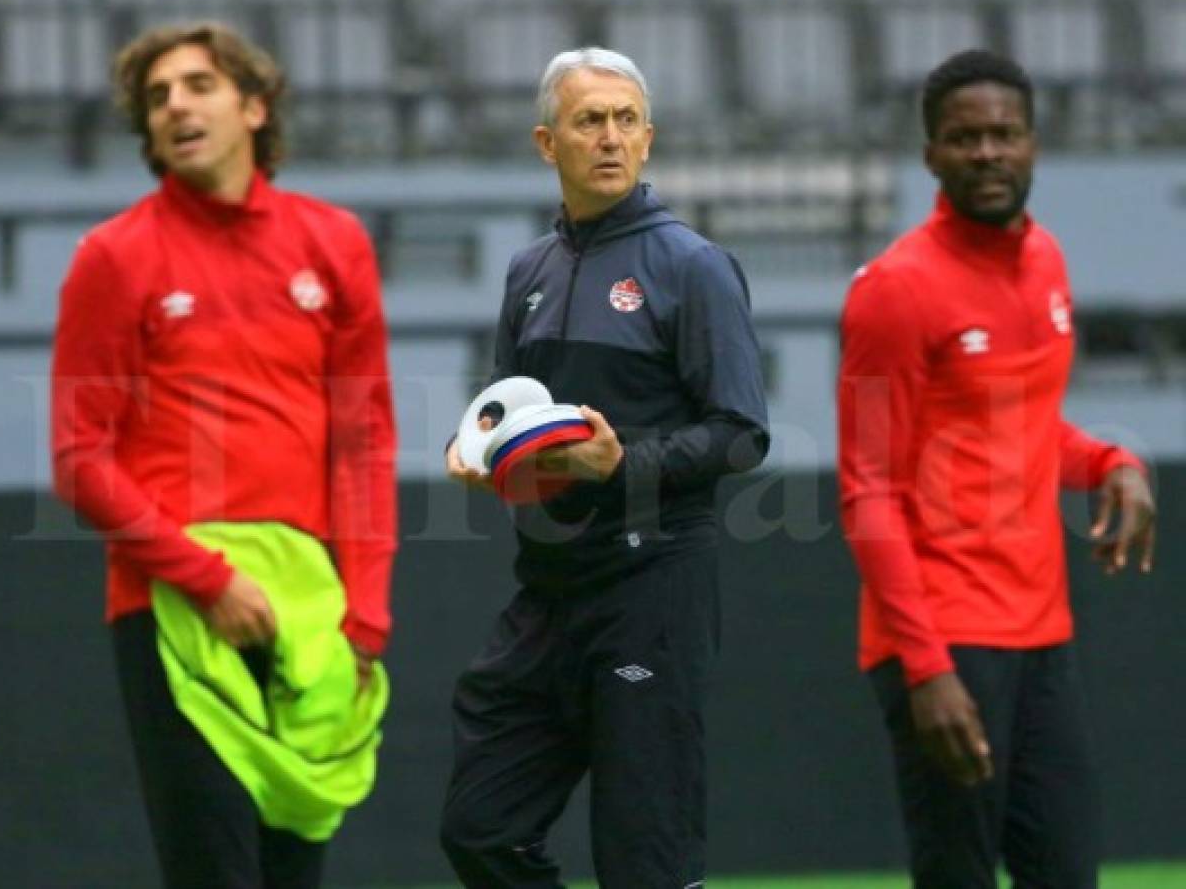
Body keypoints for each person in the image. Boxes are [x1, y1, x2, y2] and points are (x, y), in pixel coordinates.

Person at [49, 22, 397, 889]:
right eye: (157, 96)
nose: (175, 106)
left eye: (198, 85)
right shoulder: (113, 256)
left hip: (311, 612)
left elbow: (364, 443)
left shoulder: (334, 242)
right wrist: (208, 579)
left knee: (292, 874)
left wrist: (364, 617)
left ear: (253, 105)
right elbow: (78, 457)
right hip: (173, 608)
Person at [438, 47, 770, 887]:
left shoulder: (691, 266)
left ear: (649, 139)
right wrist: (473, 447)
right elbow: (506, 406)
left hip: (650, 587)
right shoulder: (529, 271)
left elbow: (741, 433)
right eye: (590, 121)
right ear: (548, 144)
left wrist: (621, 464)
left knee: (644, 863)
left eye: (626, 121)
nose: (610, 138)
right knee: (480, 832)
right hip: (547, 591)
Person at [838, 49, 1156, 888]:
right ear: (931, 156)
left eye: (1003, 134)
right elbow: (866, 491)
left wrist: (1111, 461)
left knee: (1067, 875)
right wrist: (926, 668)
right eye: (964, 137)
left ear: (1032, 145)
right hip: (944, 639)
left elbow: (1025, 431)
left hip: (1041, 636)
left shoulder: (1046, 262)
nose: (987, 152)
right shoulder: (894, 291)